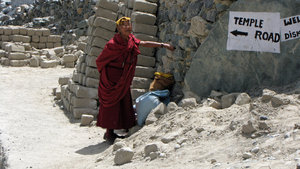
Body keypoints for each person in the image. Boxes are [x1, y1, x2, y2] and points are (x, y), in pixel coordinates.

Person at [95, 17, 175, 144]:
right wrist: (108, 79)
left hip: (123, 78)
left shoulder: (130, 40)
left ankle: (124, 128)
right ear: (118, 28)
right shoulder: (112, 44)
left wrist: (163, 45)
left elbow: (144, 44)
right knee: (112, 104)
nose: (127, 27)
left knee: (125, 102)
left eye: (129, 24)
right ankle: (109, 134)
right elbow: (100, 61)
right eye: (124, 25)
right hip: (112, 80)